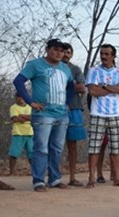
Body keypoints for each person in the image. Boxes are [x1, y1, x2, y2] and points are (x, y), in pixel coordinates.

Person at [14, 39, 76, 191]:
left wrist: (68, 103)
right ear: (47, 49)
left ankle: (55, 179)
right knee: (41, 148)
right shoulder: (35, 64)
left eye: (61, 51)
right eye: (55, 50)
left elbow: (71, 86)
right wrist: (30, 102)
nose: (58, 53)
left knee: (57, 148)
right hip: (43, 113)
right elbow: (18, 81)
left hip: (62, 113)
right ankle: (39, 181)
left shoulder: (65, 68)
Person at [85, 44, 119, 188]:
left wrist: (103, 87)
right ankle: (92, 177)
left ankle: (116, 177)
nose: (104, 56)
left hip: (115, 114)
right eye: (102, 54)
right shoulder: (94, 71)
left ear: (113, 56)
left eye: (107, 54)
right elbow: (92, 91)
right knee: (94, 148)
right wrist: (112, 89)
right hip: (97, 113)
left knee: (116, 148)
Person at [62, 43, 88, 186]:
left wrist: (65, 84)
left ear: (71, 54)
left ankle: (72, 177)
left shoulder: (75, 69)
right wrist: (72, 84)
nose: (65, 54)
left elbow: (82, 88)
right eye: (63, 51)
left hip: (74, 108)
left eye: (68, 52)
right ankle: (54, 176)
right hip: (55, 108)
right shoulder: (52, 68)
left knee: (72, 145)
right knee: (54, 144)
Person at [8, 96, 33, 176]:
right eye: (18, 97)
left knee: (32, 154)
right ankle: (11, 172)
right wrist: (26, 117)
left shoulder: (30, 107)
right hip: (18, 133)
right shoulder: (13, 107)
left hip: (30, 133)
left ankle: (35, 171)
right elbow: (15, 118)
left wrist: (22, 116)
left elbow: (33, 118)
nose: (20, 99)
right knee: (14, 153)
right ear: (16, 98)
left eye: (22, 97)